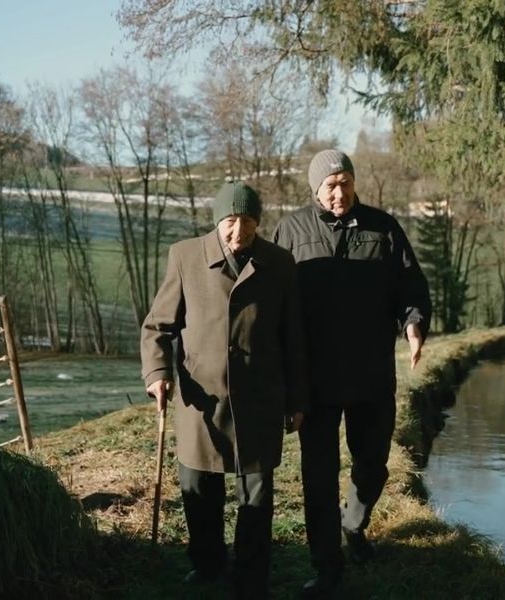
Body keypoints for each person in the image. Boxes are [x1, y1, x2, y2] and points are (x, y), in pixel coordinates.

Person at [272, 149, 432, 598]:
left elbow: (410, 285)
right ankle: (327, 567)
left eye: (345, 182)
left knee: (373, 464)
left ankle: (353, 524)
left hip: (370, 373)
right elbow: (275, 300)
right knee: (318, 475)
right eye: (330, 185)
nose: (339, 192)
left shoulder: (384, 227)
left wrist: (414, 323)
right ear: (315, 189)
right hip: (315, 379)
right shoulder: (291, 229)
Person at [141, 181, 307, 599]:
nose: (238, 233)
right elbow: (158, 327)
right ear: (217, 221)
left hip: (259, 398)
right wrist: (158, 372)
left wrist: (297, 399)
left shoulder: (281, 262)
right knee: (199, 489)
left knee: (257, 493)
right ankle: (207, 562)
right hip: (201, 398)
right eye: (230, 223)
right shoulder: (185, 256)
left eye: (248, 222)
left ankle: (251, 575)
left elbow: (294, 338)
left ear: (258, 222)